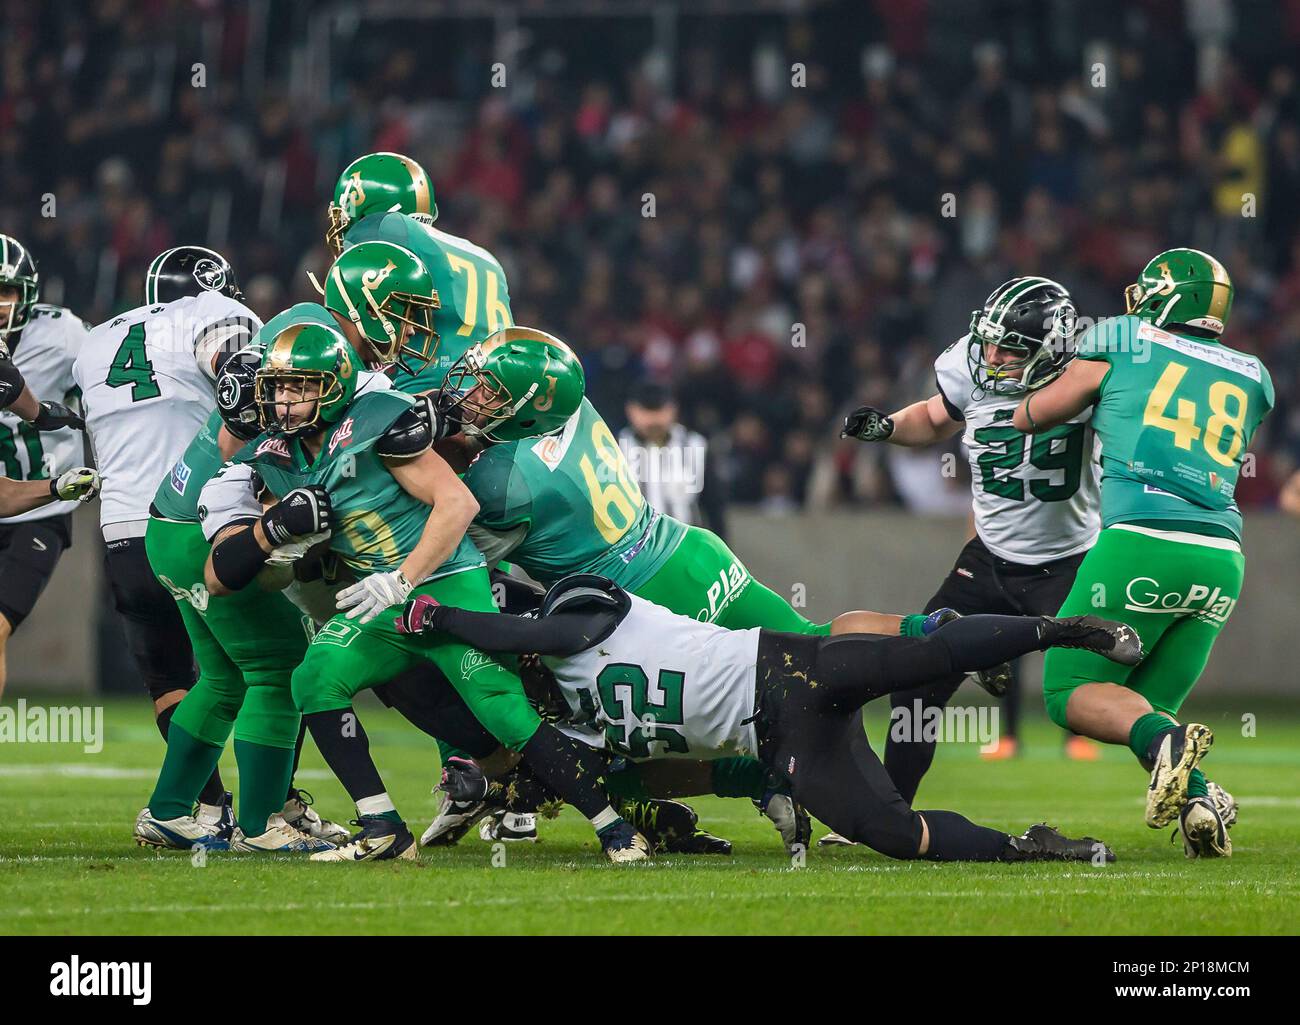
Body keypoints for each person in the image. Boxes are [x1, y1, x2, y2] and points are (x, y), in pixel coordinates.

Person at [206, 321, 651, 863]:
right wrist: (275, 534)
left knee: (503, 711)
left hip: (440, 585)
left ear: (336, 385)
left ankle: (613, 828)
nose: (286, 400)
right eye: (279, 388)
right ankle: (383, 828)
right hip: (379, 600)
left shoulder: (374, 421)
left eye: (301, 386)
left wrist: (402, 578)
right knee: (314, 678)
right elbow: (219, 575)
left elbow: (458, 504)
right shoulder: (276, 455)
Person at [395, 573, 1143, 863]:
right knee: (892, 835)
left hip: (784, 666)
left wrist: (440, 617)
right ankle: (1033, 847)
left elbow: (524, 636)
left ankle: (1069, 630)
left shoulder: (579, 613)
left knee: (935, 654)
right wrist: (488, 782)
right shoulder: (569, 713)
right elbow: (578, 768)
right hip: (780, 741)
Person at [1012, 248, 1272, 858]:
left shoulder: (1122, 336)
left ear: (1163, 293)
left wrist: (1038, 385)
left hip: (1142, 539)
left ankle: (1187, 772)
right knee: (1147, 713)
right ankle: (1202, 803)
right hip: (1221, 556)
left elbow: (1036, 416)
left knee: (1067, 690)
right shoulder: (1254, 374)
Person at [842, 276, 1102, 812]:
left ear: (1051, 348)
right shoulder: (972, 366)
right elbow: (937, 416)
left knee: (1093, 692)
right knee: (917, 680)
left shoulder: (1091, 378)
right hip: (986, 560)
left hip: (1066, 564)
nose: (992, 355)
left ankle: (1185, 782)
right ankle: (890, 813)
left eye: (1009, 347)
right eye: (988, 341)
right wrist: (887, 426)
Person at [73, 245, 260, 836]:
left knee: (169, 681)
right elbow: (237, 367)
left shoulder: (96, 340)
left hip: (122, 533)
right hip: (194, 527)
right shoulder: (210, 311)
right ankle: (269, 811)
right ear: (214, 285)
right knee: (269, 667)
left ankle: (202, 809)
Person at [0, 234, 95, 698]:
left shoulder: (62, 334)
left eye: (7, 291)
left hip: (40, 508)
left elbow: (112, 382)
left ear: (28, 294)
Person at [618, 380, 728, 538]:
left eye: (659, 411)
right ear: (631, 411)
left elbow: (714, 507)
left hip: (686, 549)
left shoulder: (695, 446)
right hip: (633, 553)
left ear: (672, 409)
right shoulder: (614, 449)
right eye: (646, 411)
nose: (653, 419)